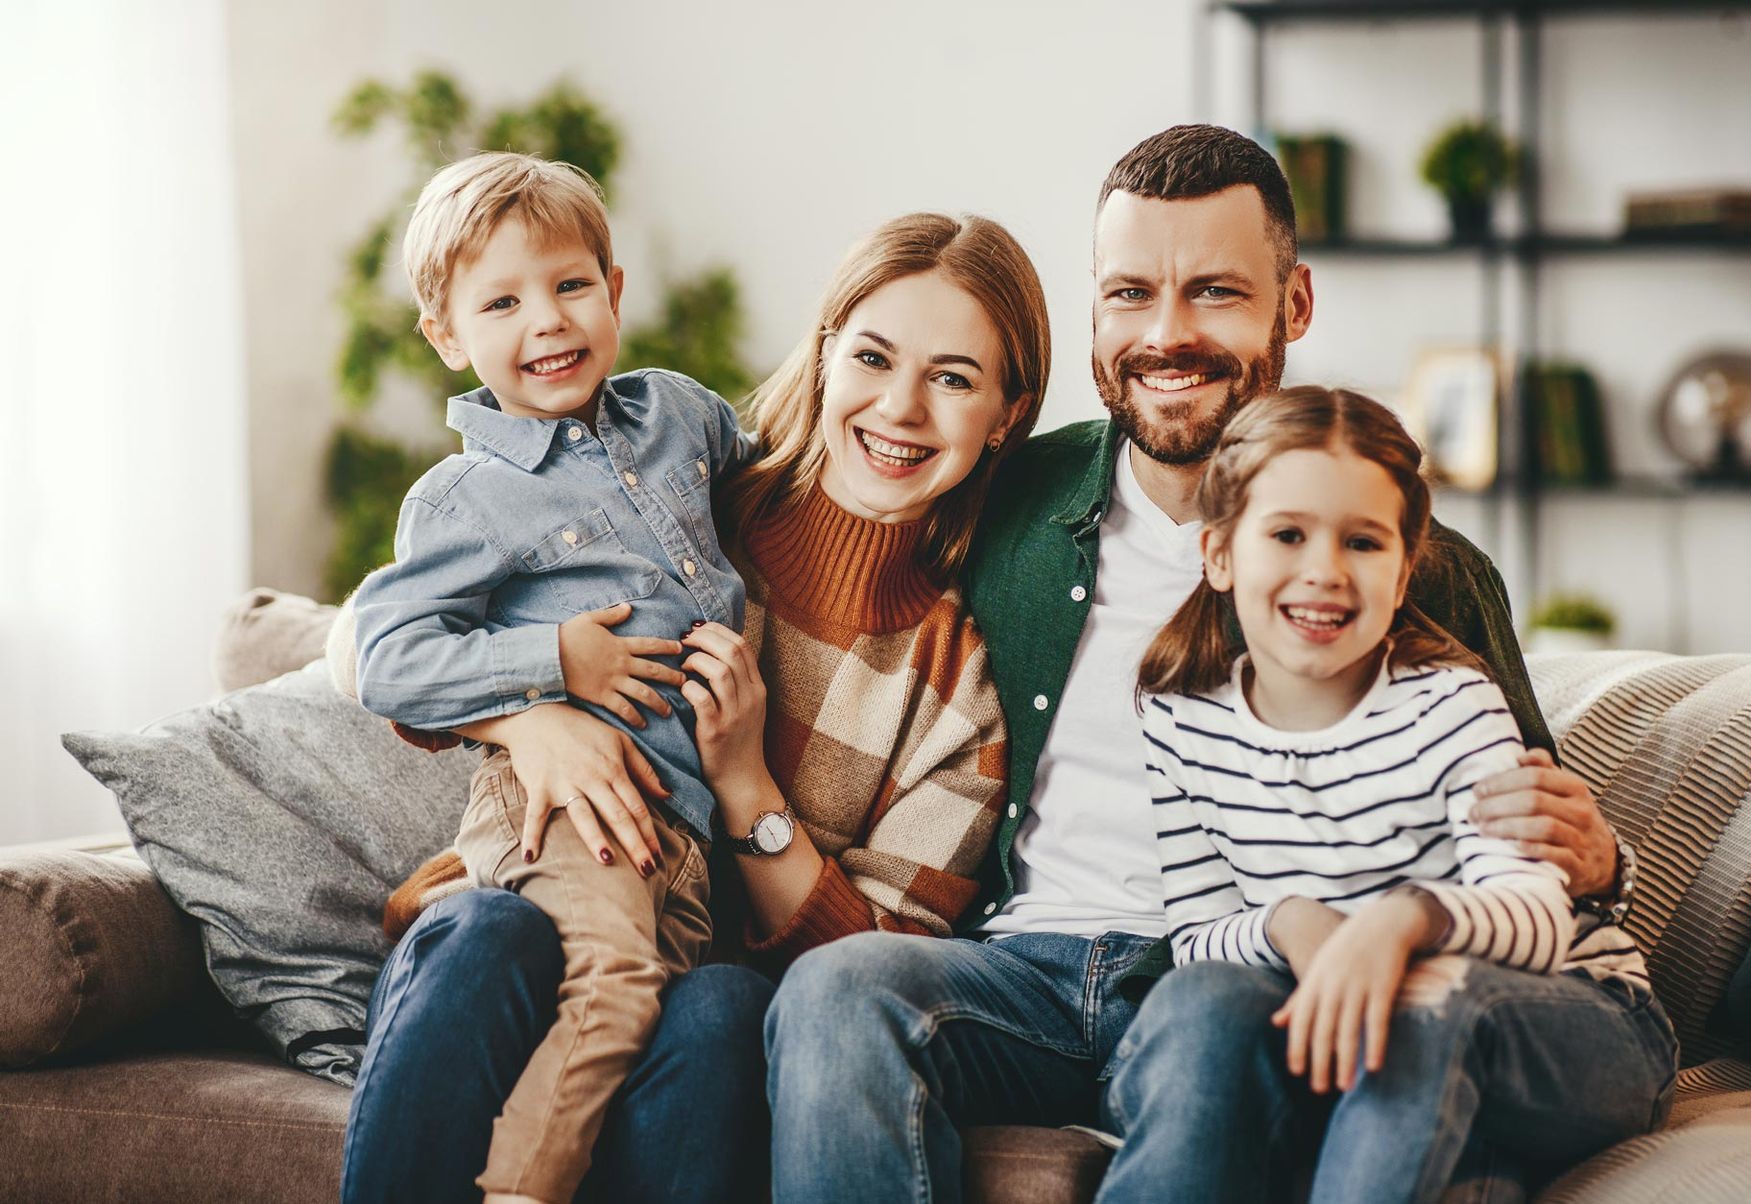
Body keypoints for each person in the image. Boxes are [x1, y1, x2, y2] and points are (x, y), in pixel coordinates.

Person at [764, 124, 1637, 1202]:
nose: (1166, 335)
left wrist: (1599, 858)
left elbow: (1532, 837)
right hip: (1024, 968)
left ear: (1295, 305)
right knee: (840, 989)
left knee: (1205, 1015)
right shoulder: (1007, 496)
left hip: (1232, 974)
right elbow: (812, 505)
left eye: (1216, 293)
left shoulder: (1398, 561)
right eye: (1129, 292)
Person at [339, 209, 1051, 1203]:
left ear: (1006, 416)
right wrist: (530, 717)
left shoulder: (954, 693)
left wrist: (747, 784)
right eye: (875, 357)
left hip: (691, 980)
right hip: (529, 914)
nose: (901, 408)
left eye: (954, 378)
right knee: (487, 932)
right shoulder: (684, 496)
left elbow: (883, 981)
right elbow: (370, 646)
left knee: (721, 1007)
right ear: (825, 353)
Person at [1100, 386, 1672, 1203]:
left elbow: (1542, 918)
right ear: (1219, 554)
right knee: (1202, 1004)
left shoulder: (1451, 702)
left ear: (1405, 572)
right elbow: (1197, 936)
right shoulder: (1181, 718)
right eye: (1288, 534)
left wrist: (1401, 924)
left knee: (1426, 1003)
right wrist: (1295, 922)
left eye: (1363, 543)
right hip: (1360, 1027)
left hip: (1577, 1025)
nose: (1324, 571)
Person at [349, 150, 755, 1204]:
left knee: (653, 1017)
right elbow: (387, 656)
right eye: (503, 301)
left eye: (572, 284)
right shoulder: (464, 498)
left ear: (615, 291)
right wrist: (551, 665)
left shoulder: (683, 415)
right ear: (448, 335)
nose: (549, 321)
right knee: (613, 993)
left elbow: (785, 487)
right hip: (565, 809)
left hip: (683, 831)